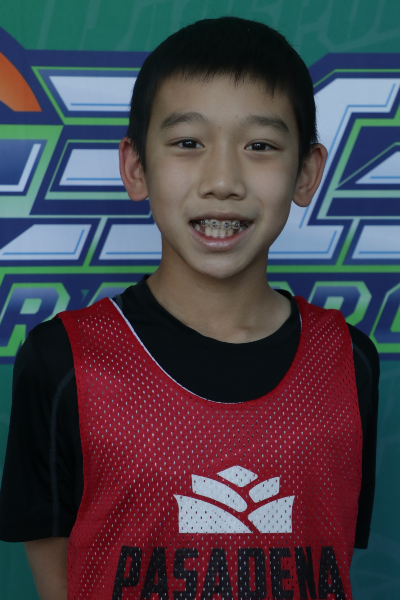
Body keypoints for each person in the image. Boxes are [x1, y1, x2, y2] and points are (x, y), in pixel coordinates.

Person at [0, 16, 379, 600]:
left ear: (306, 173)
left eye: (260, 146)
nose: (222, 180)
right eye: (188, 143)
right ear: (136, 168)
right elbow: (60, 579)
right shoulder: (62, 362)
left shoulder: (350, 360)